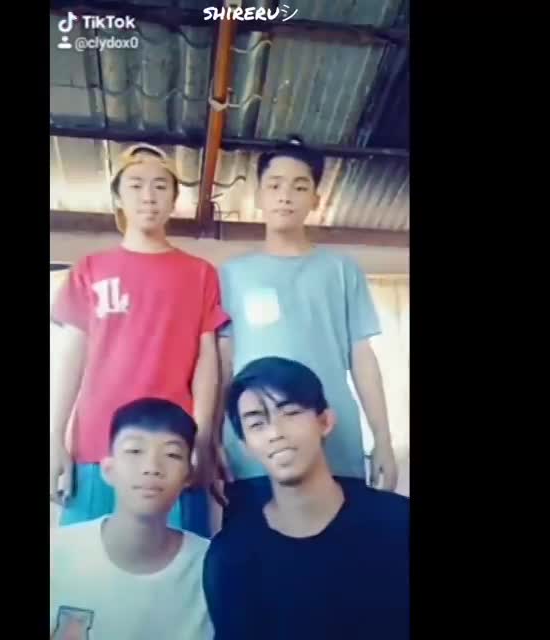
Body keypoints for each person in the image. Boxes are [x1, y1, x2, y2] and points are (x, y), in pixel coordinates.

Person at [50, 144, 228, 536]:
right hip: (97, 446)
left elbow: (207, 362)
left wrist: (202, 436)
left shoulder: (200, 273)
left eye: (160, 186)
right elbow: (70, 359)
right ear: (118, 196)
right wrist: (54, 437)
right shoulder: (90, 270)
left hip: (174, 446)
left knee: (182, 563)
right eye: (135, 185)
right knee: (85, 562)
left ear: (174, 199)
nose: (148, 196)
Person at [216, 138, 398, 521]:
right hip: (256, 448)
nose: (285, 196)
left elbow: (362, 359)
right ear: (259, 195)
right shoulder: (231, 276)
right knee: (259, 548)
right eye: (275, 185)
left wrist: (382, 438)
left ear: (315, 199)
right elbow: (223, 366)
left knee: (343, 548)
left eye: (299, 186)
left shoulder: (341, 270)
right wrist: (212, 439)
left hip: (337, 442)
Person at [203, 357, 409, 640]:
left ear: (325, 421)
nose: (275, 433)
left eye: (290, 413)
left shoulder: (397, 522)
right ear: (246, 446)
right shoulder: (232, 556)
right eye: (257, 424)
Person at [51, 397, 214, 639]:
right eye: (135, 451)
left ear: (188, 476)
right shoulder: (57, 552)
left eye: (171, 454)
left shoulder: (212, 566)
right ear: (108, 470)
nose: (151, 467)